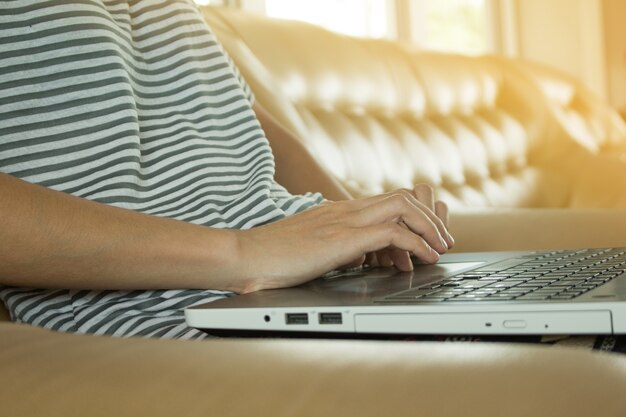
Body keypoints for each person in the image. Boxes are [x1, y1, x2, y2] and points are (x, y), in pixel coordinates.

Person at [0, 0, 453, 339]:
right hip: (166, 308)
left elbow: (244, 121)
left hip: (307, 280)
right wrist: (245, 254)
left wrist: (360, 224)